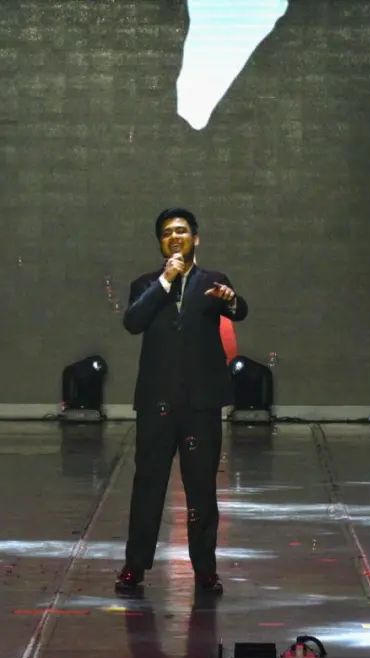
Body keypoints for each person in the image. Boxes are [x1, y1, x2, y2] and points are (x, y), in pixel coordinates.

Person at [116, 208, 247, 596]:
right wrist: (166, 280)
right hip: (156, 401)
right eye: (167, 233)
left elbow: (239, 309)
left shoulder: (213, 281)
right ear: (160, 242)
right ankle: (135, 565)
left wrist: (231, 301)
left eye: (182, 231)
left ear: (196, 238)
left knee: (201, 489)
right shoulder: (145, 284)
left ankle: (205, 569)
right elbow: (133, 322)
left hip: (200, 404)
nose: (175, 237)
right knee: (148, 486)